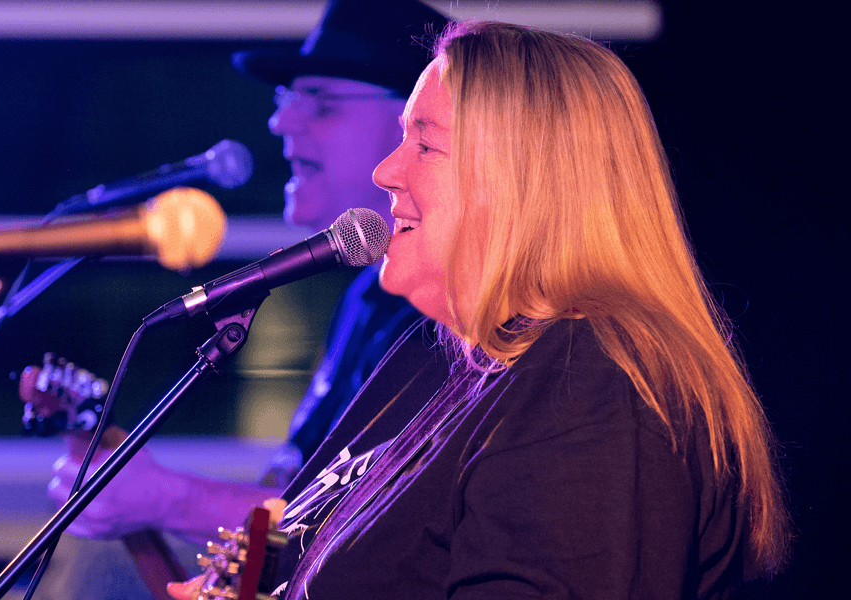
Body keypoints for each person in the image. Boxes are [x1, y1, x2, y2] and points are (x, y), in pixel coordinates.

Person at [169, 19, 792, 600]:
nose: (386, 172)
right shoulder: (466, 369)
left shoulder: (586, 384)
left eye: (425, 145)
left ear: (523, 180)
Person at [42, 1, 444, 598]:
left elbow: (374, 521)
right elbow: (311, 489)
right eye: (287, 98)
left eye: (323, 101)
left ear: (414, 127)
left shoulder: (447, 319)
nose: (282, 123)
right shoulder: (367, 296)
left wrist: (167, 498)